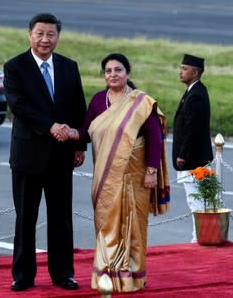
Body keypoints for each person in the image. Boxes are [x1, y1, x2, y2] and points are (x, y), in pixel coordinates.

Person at [64, 53, 170, 292]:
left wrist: (151, 171)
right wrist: (71, 134)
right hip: (106, 176)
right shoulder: (99, 100)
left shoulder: (140, 102)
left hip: (136, 173)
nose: (112, 74)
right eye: (108, 71)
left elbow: (154, 138)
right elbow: (86, 131)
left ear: (127, 73)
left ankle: (132, 277)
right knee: (106, 222)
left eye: (118, 70)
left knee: (134, 225)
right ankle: (107, 276)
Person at [3, 13, 87, 291]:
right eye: (40, 34)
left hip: (62, 156)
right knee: (26, 218)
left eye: (50, 34)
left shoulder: (68, 66)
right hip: (28, 156)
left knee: (61, 217)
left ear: (57, 37)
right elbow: (20, 106)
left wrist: (78, 145)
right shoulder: (15, 67)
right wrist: (51, 126)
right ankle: (23, 276)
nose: (45, 39)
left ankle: (63, 273)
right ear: (30, 34)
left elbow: (78, 107)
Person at [172, 54, 213, 243]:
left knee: (196, 199)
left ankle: (199, 237)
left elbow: (192, 129)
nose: (180, 71)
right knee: (200, 199)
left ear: (195, 72)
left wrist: (183, 154)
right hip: (197, 158)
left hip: (193, 160)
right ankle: (202, 235)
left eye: (184, 68)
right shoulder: (194, 91)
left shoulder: (196, 95)